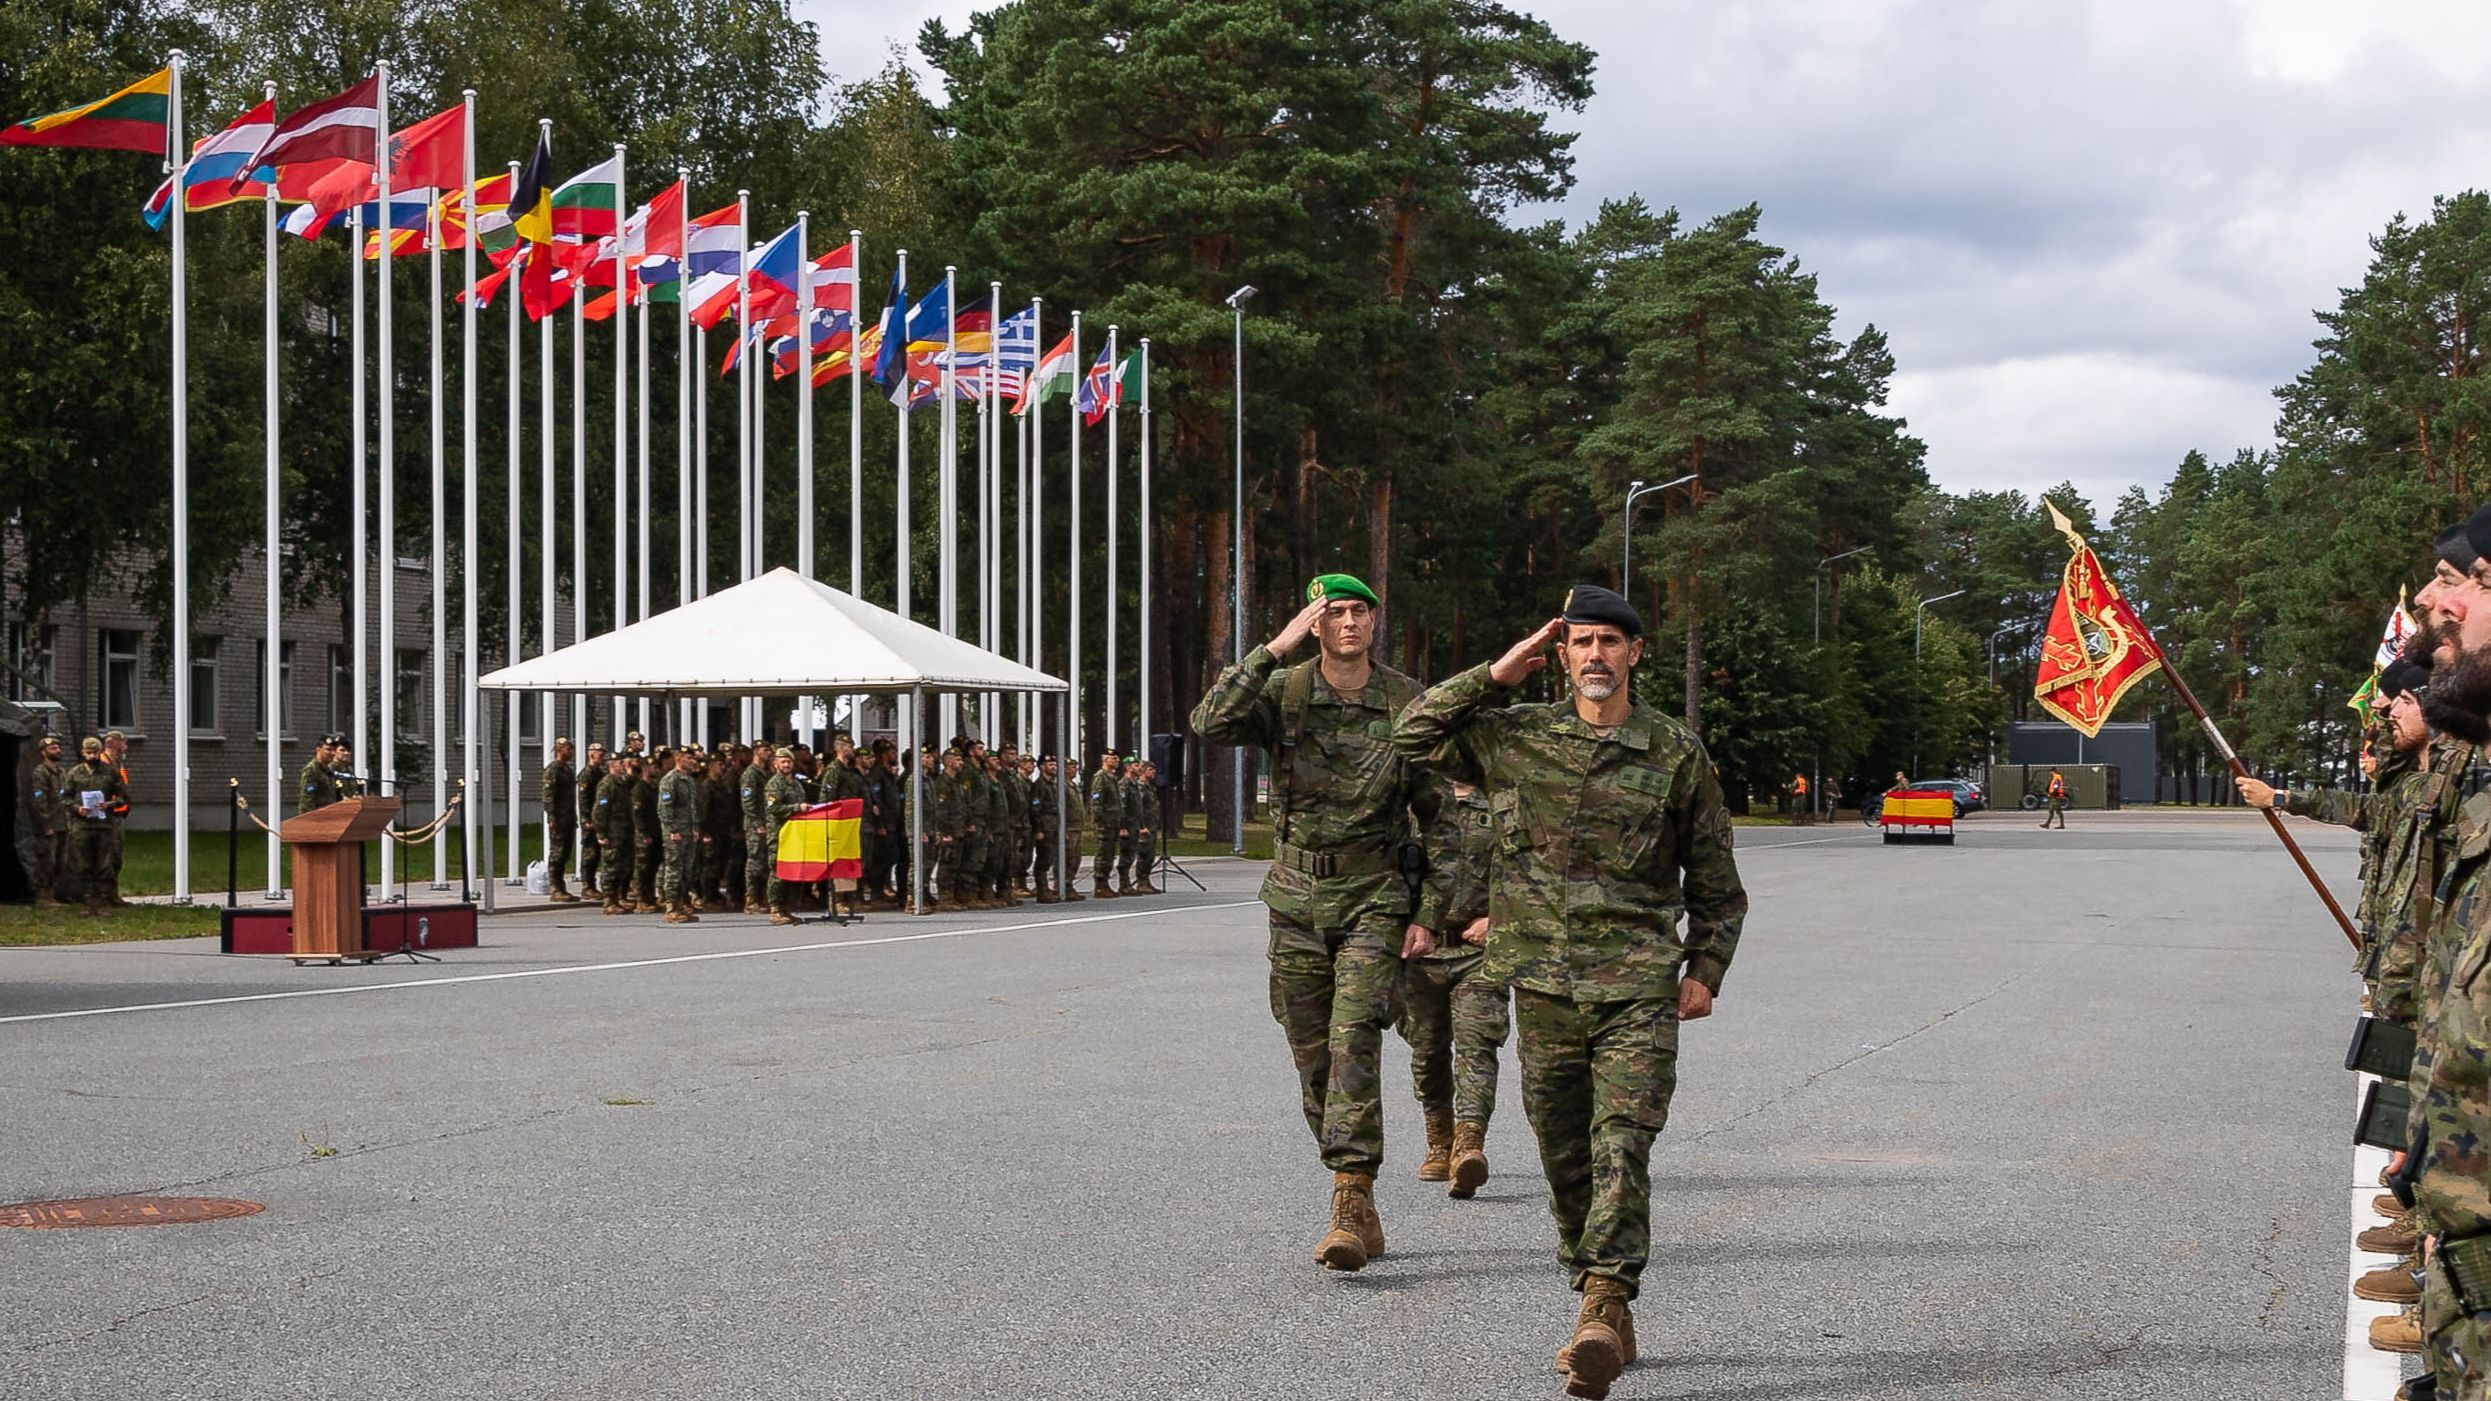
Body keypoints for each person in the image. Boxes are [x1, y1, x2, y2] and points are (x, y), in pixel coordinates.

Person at [1391, 585, 1746, 1400]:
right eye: (1580, 643)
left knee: (1621, 1139)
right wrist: (1495, 671)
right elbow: (1409, 734)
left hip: (1636, 989)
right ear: (1561, 655)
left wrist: (1704, 968)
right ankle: (1596, 1292)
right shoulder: (1513, 737)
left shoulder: (1673, 751)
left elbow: (1718, 884)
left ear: (1635, 653)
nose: (1595, 656)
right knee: (1563, 1151)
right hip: (1543, 985)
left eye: (1609, 643)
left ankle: (1602, 1299)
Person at [1190, 571, 1440, 1275]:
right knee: (1310, 1052)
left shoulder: (1403, 698)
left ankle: (1350, 1195)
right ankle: (1347, 1174)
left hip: (1374, 893)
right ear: (1316, 622)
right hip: (1296, 896)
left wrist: (1428, 909)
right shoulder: (1284, 690)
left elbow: (1438, 810)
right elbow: (1208, 723)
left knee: (1352, 1034)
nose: (1351, 623)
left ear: (1373, 623)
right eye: (1336, 613)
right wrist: (1272, 649)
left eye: (1361, 611)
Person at [1402, 780, 1507, 1198]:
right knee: (1426, 1052)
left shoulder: (1502, 799)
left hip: (1478, 950)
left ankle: (1469, 1143)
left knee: (1477, 1045)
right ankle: (1439, 1139)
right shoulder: (1413, 801)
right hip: (1419, 953)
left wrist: (1499, 917)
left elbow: (1529, 870)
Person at [65, 736, 129, 918]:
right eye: (88, 752)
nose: (92, 756)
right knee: (83, 865)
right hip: (82, 826)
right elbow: (64, 797)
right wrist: (76, 808)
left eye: (95, 752)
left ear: (100, 752)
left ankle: (102, 901)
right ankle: (88, 902)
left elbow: (123, 797)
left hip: (104, 826)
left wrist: (109, 804)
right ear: (83, 753)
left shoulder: (110, 772)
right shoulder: (75, 773)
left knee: (104, 865)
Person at [657, 746, 706, 922]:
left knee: (686, 870)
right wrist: (671, 830)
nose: (693, 762)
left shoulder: (689, 780)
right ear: (678, 759)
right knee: (674, 869)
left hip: (688, 831)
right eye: (688, 758)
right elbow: (665, 808)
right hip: (675, 833)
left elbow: (692, 808)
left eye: (693, 759)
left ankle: (680, 904)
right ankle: (670, 907)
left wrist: (694, 828)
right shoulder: (670, 780)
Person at [763, 749, 808, 926]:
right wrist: (797, 807)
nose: (786, 765)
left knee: (791, 870)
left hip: (795, 834)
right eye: (783, 762)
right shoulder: (774, 784)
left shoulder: (796, 784)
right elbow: (773, 809)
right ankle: (775, 908)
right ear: (775, 764)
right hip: (779, 833)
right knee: (777, 871)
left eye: (789, 761)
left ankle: (786, 908)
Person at [595, 753, 637, 915]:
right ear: (612, 765)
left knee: (625, 866)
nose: (623, 765)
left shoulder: (622, 783)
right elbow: (600, 810)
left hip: (624, 830)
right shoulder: (607, 784)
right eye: (620, 763)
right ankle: (609, 900)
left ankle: (620, 897)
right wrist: (601, 833)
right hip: (613, 832)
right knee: (611, 866)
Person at [28, 734, 66, 909]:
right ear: (44, 752)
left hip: (62, 822)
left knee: (59, 861)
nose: (57, 750)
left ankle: (53, 894)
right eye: (53, 748)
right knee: (46, 860)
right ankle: (43, 896)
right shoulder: (40, 772)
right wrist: (46, 825)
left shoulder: (61, 772)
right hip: (48, 824)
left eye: (58, 748)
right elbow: (39, 801)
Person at [541, 737, 580, 903]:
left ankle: (561, 886)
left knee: (564, 853)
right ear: (559, 750)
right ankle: (555, 888)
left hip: (568, 816)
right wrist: (551, 816)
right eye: (568, 750)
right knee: (557, 853)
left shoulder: (566, 769)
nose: (570, 753)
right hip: (558, 818)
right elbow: (548, 796)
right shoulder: (553, 770)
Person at [741, 741, 776, 917]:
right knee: (754, 862)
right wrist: (756, 823)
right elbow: (748, 802)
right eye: (765, 750)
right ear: (756, 752)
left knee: (765, 863)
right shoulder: (750, 775)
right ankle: (751, 899)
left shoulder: (767, 773)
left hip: (768, 822)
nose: (768, 753)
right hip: (756, 825)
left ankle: (762, 897)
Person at [1087, 750, 1127, 900]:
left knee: (1110, 854)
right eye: (1113, 758)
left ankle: (1105, 884)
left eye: (1117, 758)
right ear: (1104, 759)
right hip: (1105, 823)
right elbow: (1096, 802)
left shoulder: (1112, 778)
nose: (1116, 760)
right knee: (1103, 855)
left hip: (1113, 822)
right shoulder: (1100, 778)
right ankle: (1100, 884)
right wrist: (1100, 822)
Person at [1032, 754, 1065, 903]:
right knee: (1043, 859)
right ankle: (1041, 890)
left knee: (1050, 858)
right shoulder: (1039, 785)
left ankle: (1047, 889)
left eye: (1054, 764)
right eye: (1050, 765)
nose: (1053, 767)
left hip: (1053, 826)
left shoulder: (1052, 784)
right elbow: (1035, 808)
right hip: (1044, 827)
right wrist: (1038, 829)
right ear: (1042, 767)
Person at [577, 741, 608, 900]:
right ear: (591, 755)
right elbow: (583, 799)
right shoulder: (587, 774)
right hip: (590, 819)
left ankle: (592, 885)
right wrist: (586, 819)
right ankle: (587, 886)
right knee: (589, 854)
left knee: (596, 854)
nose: (603, 758)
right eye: (600, 755)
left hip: (598, 818)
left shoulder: (599, 773)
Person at [1127, 759, 1161, 894]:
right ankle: (1141, 882)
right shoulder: (1140, 787)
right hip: (1144, 826)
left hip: (1151, 826)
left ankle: (1146, 880)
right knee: (1144, 855)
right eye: (1150, 770)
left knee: (1150, 855)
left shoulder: (1149, 787)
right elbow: (1137, 808)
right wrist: (1141, 826)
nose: (1154, 772)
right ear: (1143, 771)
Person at [298, 735, 343, 815]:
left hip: (330, 817)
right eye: (328, 750)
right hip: (316, 819)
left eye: (334, 750)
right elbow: (306, 801)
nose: (332, 753)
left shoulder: (329, 771)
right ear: (318, 749)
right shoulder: (311, 770)